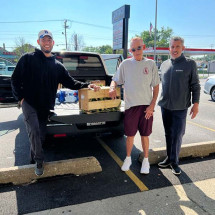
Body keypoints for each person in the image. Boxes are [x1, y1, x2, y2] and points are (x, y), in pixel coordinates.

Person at [11, 30, 100, 176]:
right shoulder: (27, 58)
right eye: (43, 39)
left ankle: (32, 162)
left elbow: (71, 82)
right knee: (33, 130)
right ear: (38, 42)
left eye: (49, 40)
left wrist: (87, 85)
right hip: (29, 103)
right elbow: (15, 79)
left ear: (52, 43)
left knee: (40, 136)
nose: (46, 42)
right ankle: (40, 162)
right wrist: (20, 98)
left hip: (45, 106)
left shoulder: (57, 66)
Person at [109, 37, 160, 174]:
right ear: (130, 50)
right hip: (131, 106)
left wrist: (152, 106)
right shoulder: (125, 64)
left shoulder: (150, 64)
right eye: (133, 49)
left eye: (139, 48)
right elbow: (115, 80)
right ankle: (128, 158)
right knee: (130, 135)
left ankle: (145, 161)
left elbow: (156, 87)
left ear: (143, 47)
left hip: (146, 107)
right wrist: (112, 88)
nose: (136, 51)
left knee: (145, 135)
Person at [158, 36, 200, 175]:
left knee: (177, 135)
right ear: (169, 48)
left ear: (183, 48)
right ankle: (169, 158)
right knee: (168, 134)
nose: (174, 49)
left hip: (180, 107)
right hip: (165, 106)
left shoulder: (190, 64)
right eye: (172, 46)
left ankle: (174, 162)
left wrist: (196, 104)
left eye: (177, 46)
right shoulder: (164, 64)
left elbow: (195, 85)